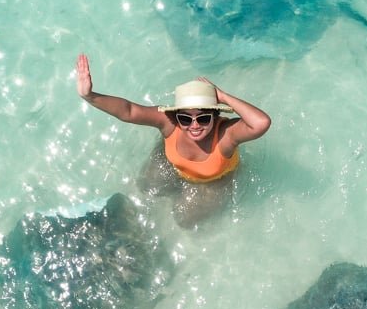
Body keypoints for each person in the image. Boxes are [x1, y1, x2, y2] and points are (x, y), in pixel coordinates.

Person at [75, 53, 271, 227]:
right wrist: (90, 96)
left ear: (215, 115)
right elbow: (129, 111)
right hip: (170, 165)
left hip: (212, 183)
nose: (194, 125)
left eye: (203, 118)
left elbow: (261, 123)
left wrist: (223, 96)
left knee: (184, 220)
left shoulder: (225, 135)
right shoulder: (169, 123)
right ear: (177, 116)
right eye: (186, 118)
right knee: (145, 188)